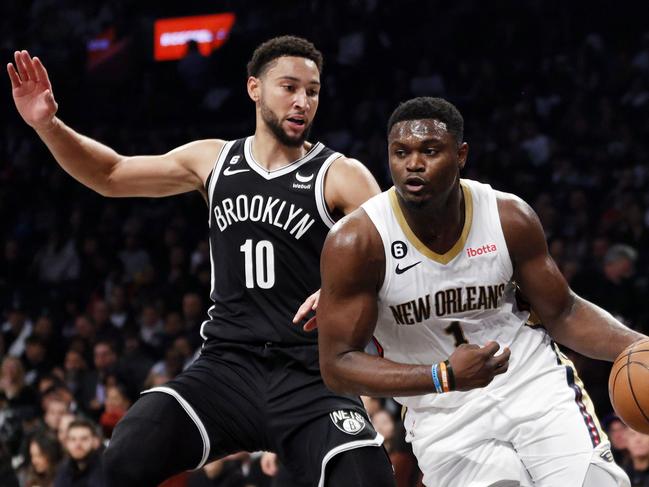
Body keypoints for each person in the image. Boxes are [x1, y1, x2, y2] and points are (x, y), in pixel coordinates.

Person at [7, 36, 394, 487]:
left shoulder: (341, 174)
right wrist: (48, 125)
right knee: (130, 447)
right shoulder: (213, 159)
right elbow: (110, 174)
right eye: (289, 87)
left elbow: (395, 253)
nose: (302, 101)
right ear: (254, 88)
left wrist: (338, 289)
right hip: (226, 368)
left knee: (369, 478)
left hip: (312, 375)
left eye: (312, 91)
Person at [317, 96, 648, 486]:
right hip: (443, 415)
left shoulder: (508, 216)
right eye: (400, 152)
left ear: (461, 155)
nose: (413, 164)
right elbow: (337, 365)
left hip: (533, 386)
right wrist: (442, 376)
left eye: (430, 150)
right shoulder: (357, 242)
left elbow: (564, 313)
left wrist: (638, 345)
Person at [54, 418, 105, 487]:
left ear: (95, 442)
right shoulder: (62, 469)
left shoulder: (105, 470)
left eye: (84, 439)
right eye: (73, 439)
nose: (78, 444)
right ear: (66, 443)